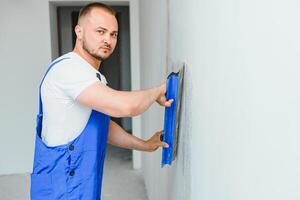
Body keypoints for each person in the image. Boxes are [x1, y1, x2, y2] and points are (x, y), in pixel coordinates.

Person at [30, 2, 172, 200]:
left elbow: (101, 125)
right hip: (61, 186)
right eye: (100, 31)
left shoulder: (94, 77)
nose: (108, 40)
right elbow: (125, 106)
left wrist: (145, 145)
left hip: (81, 182)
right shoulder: (68, 70)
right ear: (79, 31)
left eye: (113, 34)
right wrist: (158, 91)